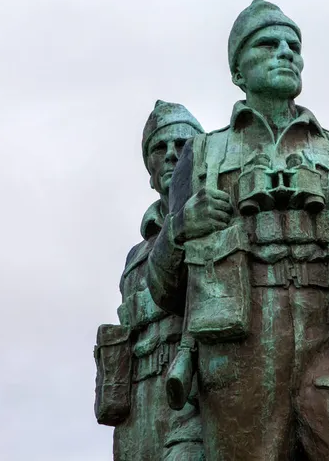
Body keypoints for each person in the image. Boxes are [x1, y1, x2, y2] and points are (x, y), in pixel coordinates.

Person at [146, 0, 329, 461]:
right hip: (238, 373)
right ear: (238, 70)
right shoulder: (204, 155)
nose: (285, 52)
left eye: (294, 45)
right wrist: (179, 232)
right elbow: (163, 290)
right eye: (268, 44)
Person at [94, 100, 205, 460]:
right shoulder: (135, 255)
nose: (172, 155)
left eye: (182, 145)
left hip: (193, 389)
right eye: (160, 147)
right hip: (139, 399)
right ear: (150, 168)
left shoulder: (217, 218)